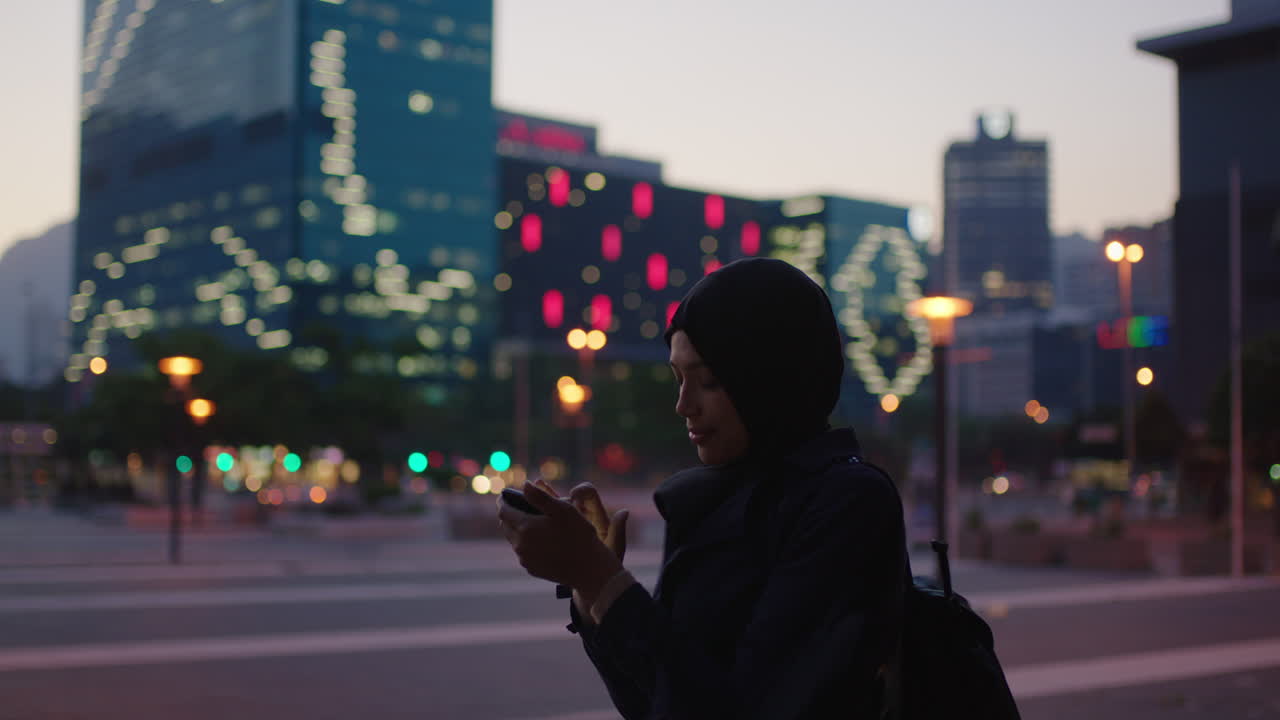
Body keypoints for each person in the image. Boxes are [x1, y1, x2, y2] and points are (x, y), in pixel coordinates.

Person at [498, 257, 909, 719]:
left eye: (709, 381)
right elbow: (655, 700)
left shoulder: (847, 503)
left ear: (772, 378)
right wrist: (589, 588)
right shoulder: (704, 501)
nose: (683, 405)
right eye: (678, 379)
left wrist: (603, 581)